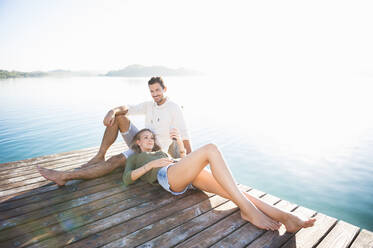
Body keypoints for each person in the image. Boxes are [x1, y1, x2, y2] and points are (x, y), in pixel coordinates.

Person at [123, 128, 317, 232]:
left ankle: (286, 217)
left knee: (237, 192)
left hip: (183, 174)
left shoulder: (161, 151)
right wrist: (150, 166)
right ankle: (249, 211)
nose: (149, 140)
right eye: (144, 137)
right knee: (210, 149)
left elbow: (183, 160)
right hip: (166, 176)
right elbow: (126, 179)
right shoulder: (135, 158)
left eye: (151, 137)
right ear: (138, 142)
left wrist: (180, 144)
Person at [37, 77, 191, 186]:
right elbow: (127, 108)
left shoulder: (173, 108)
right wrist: (112, 110)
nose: (155, 94)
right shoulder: (149, 105)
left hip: (151, 150)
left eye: (157, 90)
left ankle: (64, 176)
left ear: (164, 89)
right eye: (151, 91)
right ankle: (99, 155)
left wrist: (190, 164)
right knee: (119, 117)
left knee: (115, 161)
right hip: (141, 140)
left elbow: (184, 136)